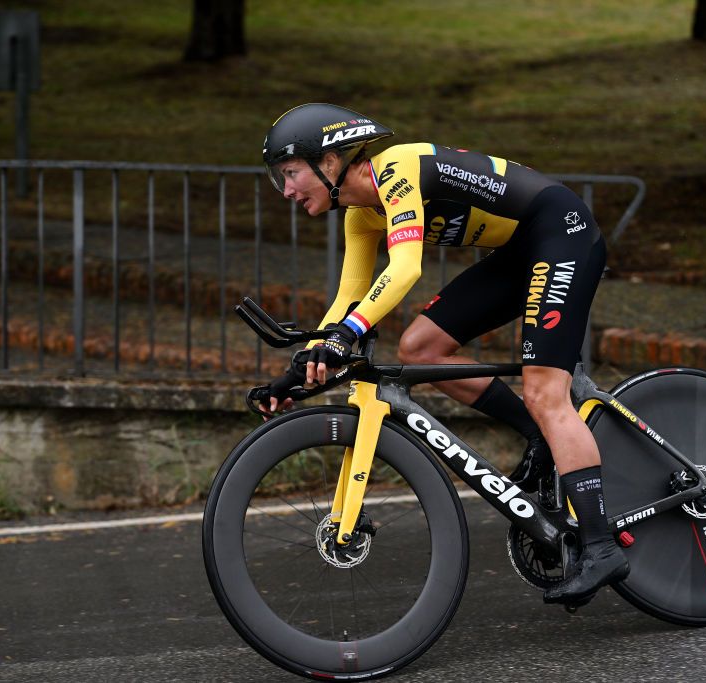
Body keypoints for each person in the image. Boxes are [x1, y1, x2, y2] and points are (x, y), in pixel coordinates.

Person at [260, 102, 627, 606]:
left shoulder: (397, 169)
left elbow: (406, 268)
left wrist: (348, 333)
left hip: (561, 233)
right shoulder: (361, 215)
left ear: (329, 162)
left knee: (546, 391)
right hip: (520, 252)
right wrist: (305, 362)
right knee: (421, 348)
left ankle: (602, 546)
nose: (287, 190)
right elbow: (348, 299)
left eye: (291, 173)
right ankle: (537, 436)